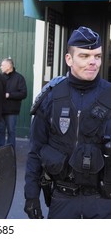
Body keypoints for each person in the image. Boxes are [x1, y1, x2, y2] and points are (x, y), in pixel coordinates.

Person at [24, 26, 111, 219]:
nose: (93, 62)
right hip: (62, 200)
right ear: (69, 59)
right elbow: (35, 151)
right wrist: (31, 196)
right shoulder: (51, 97)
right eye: (85, 56)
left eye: (97, 56)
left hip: (103, 202)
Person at [0, 58, 27, 148]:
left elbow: (23, 93)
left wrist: (9, 95)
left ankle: (10, 152)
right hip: (0, 110)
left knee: (11, 131)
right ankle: (0, 152)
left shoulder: (19, 78)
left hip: (12, 111)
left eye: (2, 65)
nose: (0, 67)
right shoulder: (0, 77)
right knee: (0, 132)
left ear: (8, 66)